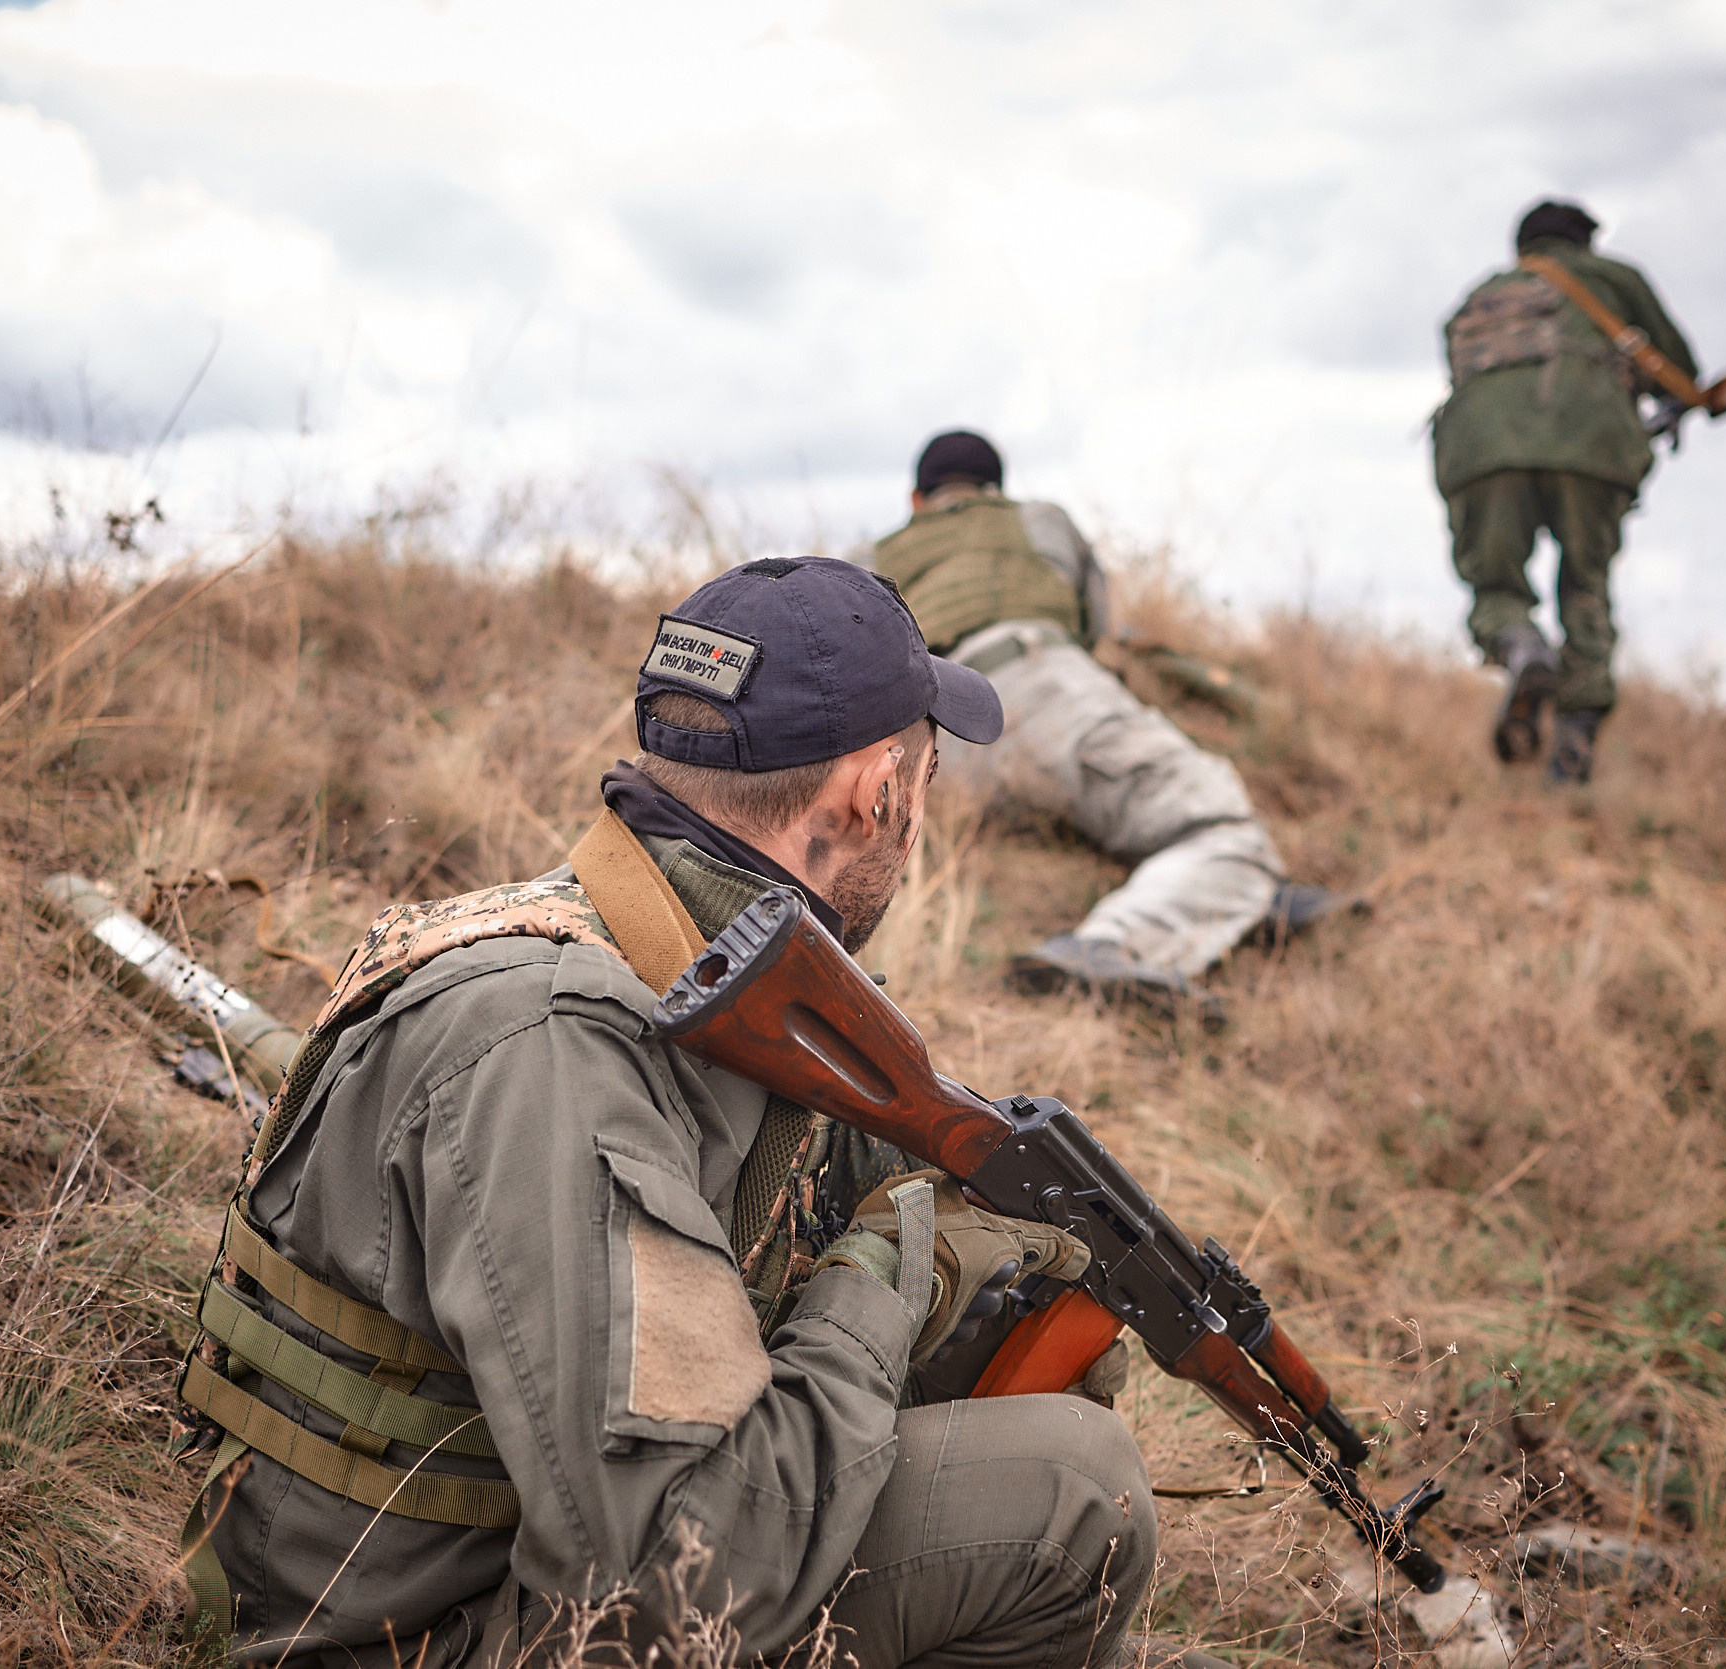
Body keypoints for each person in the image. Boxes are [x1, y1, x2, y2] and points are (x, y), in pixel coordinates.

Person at [176, 555, 1225, 1669]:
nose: (916, 821)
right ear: (876, 793)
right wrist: (877, 1283)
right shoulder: (550, 1041)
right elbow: (680, 1572)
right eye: (923, 783)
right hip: (409, 1637)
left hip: (506, 1565)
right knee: (1072, 1496)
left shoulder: (697, 977)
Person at [862, 430, 1338, 1011]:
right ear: (997, 494)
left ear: (916, 501)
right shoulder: (1040, 520)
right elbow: (1096, 629)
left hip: (936, 750)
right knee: (1220, 826)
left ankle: (1242, 901)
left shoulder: (872, 558)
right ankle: (1118, 942)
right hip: (1045, 688)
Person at [1432, 199, 1704, 785]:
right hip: (1588, 444)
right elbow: (1680, 369)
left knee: (1494, 582)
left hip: (1479, 449)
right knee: (1585, 587)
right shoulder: (1613, 280)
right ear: (1583, 245)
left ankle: (1521, 645)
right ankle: (1571, 755)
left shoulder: (1483, 293)